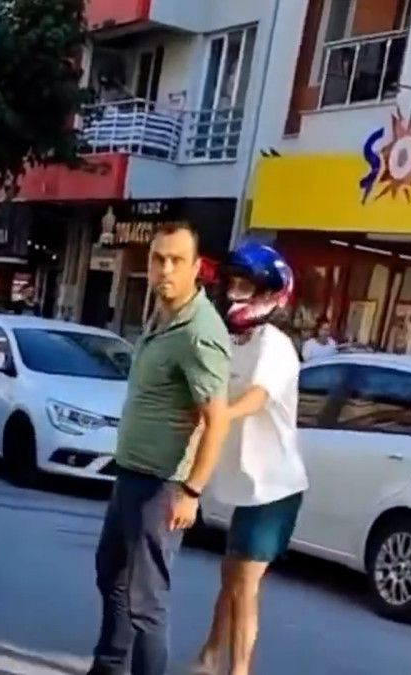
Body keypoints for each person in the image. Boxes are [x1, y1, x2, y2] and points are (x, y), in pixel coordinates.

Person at [88, 223, 233, 675]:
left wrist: (191, 491)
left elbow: (218, 418)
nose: (165, 269)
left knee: (146, 602)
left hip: (162, 485)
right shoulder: (163, 317)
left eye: (176, 261)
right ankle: (109, 666)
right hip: (132, 474)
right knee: (111, 573)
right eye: (158, 259)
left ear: (196, 268)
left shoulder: (198, 332)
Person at [192, 242, 308, 675]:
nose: (235, 293)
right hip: (245, 485)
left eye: (246, 285)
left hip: (273, 488)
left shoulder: (274, 345)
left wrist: (221, 414)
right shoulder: (232, 341)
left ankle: (237, 670)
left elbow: (258, 396)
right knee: (230, 579)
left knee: (244, 587)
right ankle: (209, 656)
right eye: (233, 283)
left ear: (271, 294)